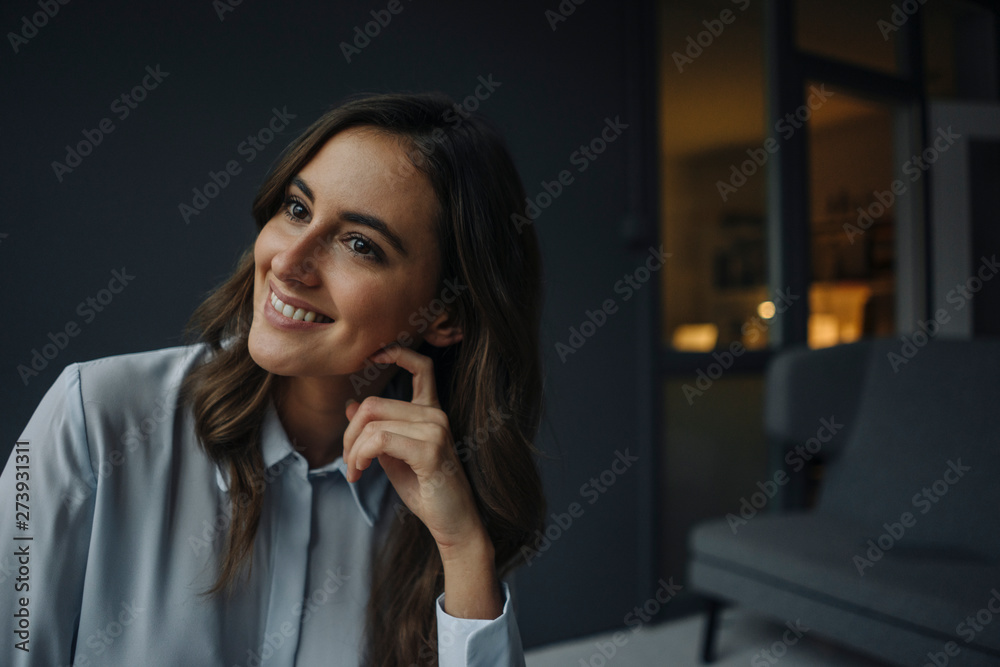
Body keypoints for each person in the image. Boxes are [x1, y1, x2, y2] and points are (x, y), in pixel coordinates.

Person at [0, 92, 546, 666]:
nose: (288, 262)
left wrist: (463, 552)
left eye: (359, 244)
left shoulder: (438, 502)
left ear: (446, 314)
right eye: (298, 209)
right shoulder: (93, 417)